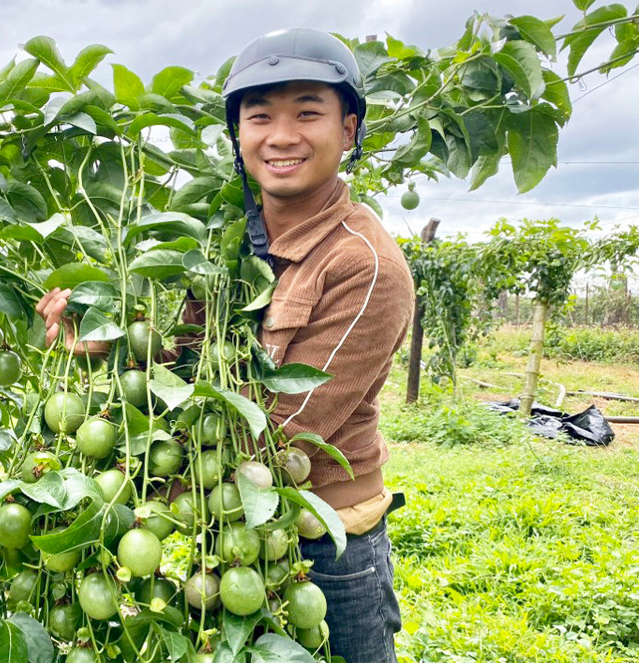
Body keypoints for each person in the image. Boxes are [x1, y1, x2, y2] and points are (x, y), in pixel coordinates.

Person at [36, 27, 414, 663]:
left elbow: (268, 436)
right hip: (223, 537)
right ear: (239, 137)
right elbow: (186, 361)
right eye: (259, 116)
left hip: (320, 551)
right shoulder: (224, 243)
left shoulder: (364, 263)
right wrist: (109, 343)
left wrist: (128, 485)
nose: (281, 135)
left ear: (348, 130)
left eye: (307, 113)